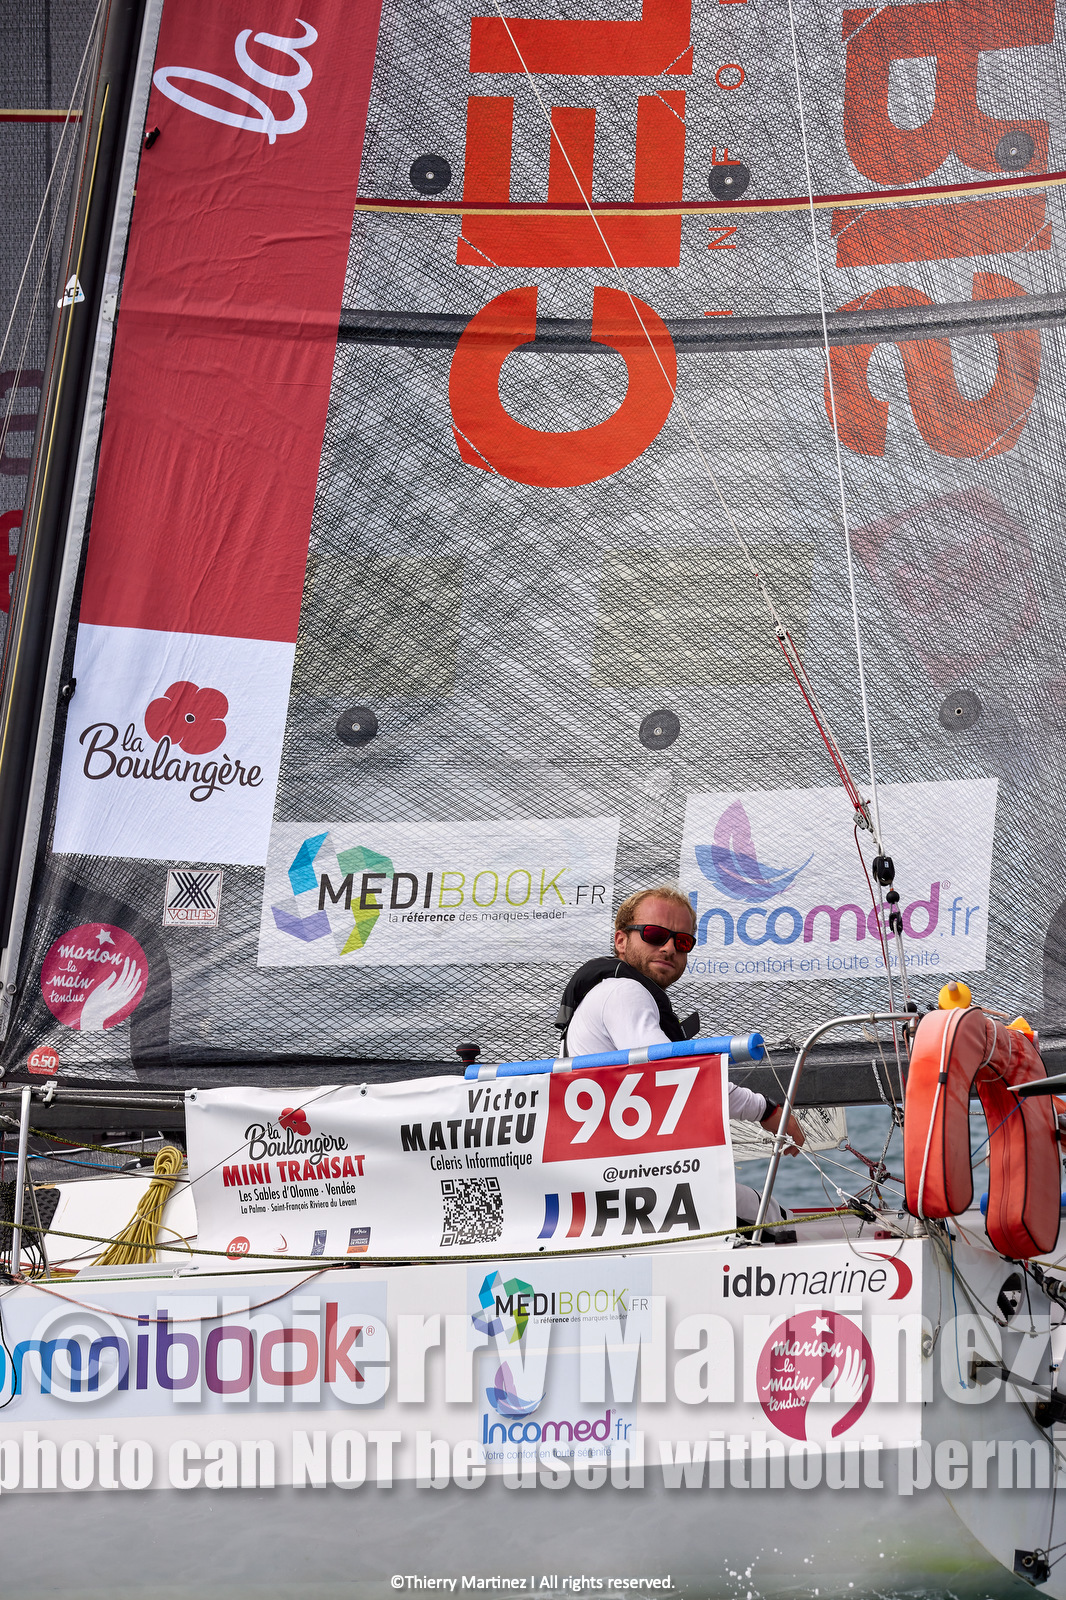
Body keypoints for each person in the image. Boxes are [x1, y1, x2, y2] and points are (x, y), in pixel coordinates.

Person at [555, 884, 804, 1237]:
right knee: (781, 1225)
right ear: (621, 941)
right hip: (628, 1183)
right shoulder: (623, 991)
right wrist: (767, 1110)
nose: (669, 947)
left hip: (613, 1181)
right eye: (655, 934)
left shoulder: (610, 992)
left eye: (682, 942)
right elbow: (675, 1075)